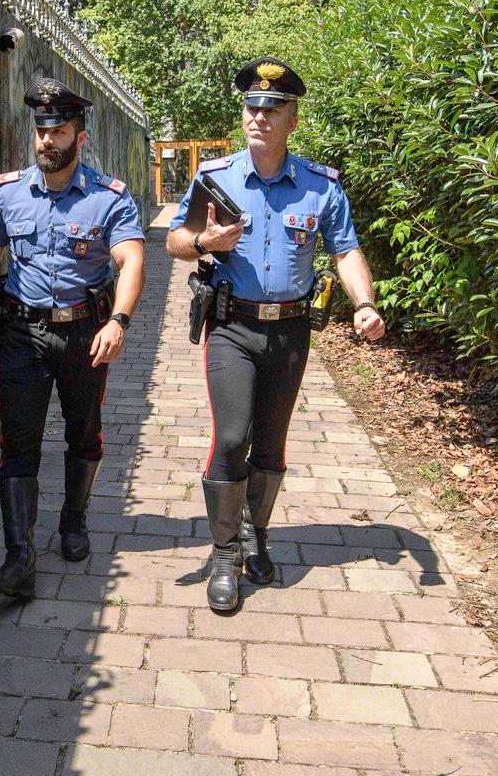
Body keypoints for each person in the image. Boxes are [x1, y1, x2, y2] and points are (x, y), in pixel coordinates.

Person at [165, 57, 385, 612]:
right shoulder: (213, 178)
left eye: (272, 109)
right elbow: (175, 240)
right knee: (232, 438)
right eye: (251, 107)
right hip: (232, 326)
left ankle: (257, 535)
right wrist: (205, 245)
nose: (258, 117)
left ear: (292, 119)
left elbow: (346, 249)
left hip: (289, 332)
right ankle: (223, 553)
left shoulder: (320, 186)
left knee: (271, 442)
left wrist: (363, 303)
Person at [0, 77, 146, 598]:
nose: (46, 141)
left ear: (79, 139)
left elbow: (131, 261)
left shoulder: (110, 199)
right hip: (22, 332)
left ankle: (74, 520)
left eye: (58, 131)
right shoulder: (7, 194)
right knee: (19, 444)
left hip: (87, 332)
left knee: (84, 435)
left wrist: (119, 322)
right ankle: (19, 558)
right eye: (40, 132)